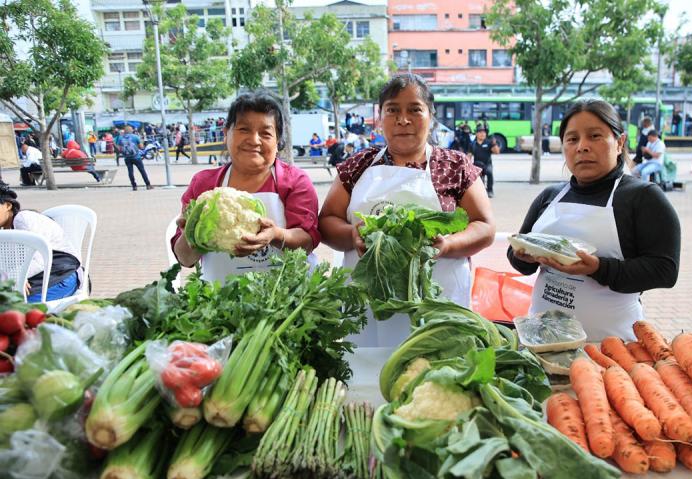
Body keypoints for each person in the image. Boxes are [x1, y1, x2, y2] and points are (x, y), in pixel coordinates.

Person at [319, 73, 495, 348]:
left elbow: (484, 226)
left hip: (437, 304)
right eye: (392, 110)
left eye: (415, 110)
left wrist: (447, 244)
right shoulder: (358, 165)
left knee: (437, 367)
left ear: (431, 116)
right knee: (370, 367)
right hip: (368, 305)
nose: (403, 120)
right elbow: (328, 219)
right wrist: (352, 234)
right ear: (380, 117)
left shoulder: (455, 165)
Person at [507, 99, 680, 342]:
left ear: (619, 142)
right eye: (572, 139)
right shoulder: (550, 196)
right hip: (541, 343)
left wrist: (599, 268)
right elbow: (519, 259)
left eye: (595, 136)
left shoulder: (643, 197)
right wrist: (523, 256)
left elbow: (665, 270)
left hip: (612, 346)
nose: (582, 147)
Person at [171, 91, 321, 283]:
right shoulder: (204, 183)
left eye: (265, 133)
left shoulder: (295, 181)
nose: (254, 140)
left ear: (277, 142)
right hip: (221, 296)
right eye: (244, 129)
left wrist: (276, 235)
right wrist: (191, 233)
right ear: (226, 134)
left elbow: (307, 242)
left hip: (287, 296)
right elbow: (185, 259)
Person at [0, 182, 83, 303]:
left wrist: (16, 276)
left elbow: (39, 260)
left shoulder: (23, 219)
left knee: (12, 304)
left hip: (62, 275)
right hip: (39, 277)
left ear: (8, 205)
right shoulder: (6, 231)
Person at [115, 125, 153, 191]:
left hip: (127, 158)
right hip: (136, 157)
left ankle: (134, 186)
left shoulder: (120, 138)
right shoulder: (135, 137)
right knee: (142, 171)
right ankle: (148, 185)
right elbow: (141, 147)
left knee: (130, 172)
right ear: (130, 130)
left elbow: (118, 148)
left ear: (125, 131)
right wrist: (142, 142)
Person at [468, 125, 499, 198]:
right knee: (477, 179)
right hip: (477, 164)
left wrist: (494, 143)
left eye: (484, 132)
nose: (482, 134)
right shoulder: (473, 144)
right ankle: (480, 191)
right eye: (480, 132)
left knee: (489, 172)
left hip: (487, 164)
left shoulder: (489, 142)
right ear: (476, 134)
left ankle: (490, 190)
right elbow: (469, 156)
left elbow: (497, 152)